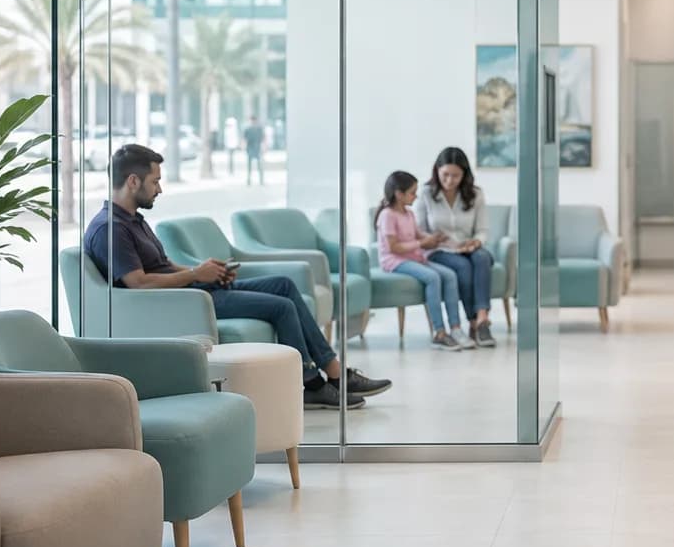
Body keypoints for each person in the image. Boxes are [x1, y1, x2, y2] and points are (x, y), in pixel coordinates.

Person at [84, 144, 392, 409]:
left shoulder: (133, 221)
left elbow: (161, 266)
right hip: (185, 302)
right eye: (155, 181)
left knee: (284, 284)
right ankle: (314, 385)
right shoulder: (110, 229)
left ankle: (335, 371)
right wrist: (194, 274)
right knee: (280, 307)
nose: (160, 189)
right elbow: (138, 283)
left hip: (193, 289)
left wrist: (207, 271)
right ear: (133, 180)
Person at [376, 170, 470, 351]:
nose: (416, 196)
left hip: (413, 258)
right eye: (412, 192)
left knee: (450, 275)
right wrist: (422, 242)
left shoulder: (409, 213)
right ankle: (439, 332)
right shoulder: (387, 215)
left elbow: (420, 235)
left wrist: (436, 239)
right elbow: (393, 247)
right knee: (433, 277)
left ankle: (456, 328)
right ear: (399, 194)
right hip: (394, 260)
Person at [415, 147, 497, 347]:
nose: (450, 180)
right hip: (438, 250)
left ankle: (482, 318)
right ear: (437, 171)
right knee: (463, 267)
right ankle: (474, 324)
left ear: (464, 175)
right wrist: (440, 240)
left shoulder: (476, 194)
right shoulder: (426, 194)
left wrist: (476, 242)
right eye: (445, 175)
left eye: (456, 176)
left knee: (483, 257)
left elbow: (483, 229)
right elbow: (419, 231)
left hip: (469, 248)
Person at [243, 115, 266, 186]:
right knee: (251, 166)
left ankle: (259, 180)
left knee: (257, 166)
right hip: (252, 149)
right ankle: (251, 180)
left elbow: (263, 139)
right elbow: (245, 140)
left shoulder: (257, 129)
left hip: (255, 149)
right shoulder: (250, 129)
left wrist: (264, 148)